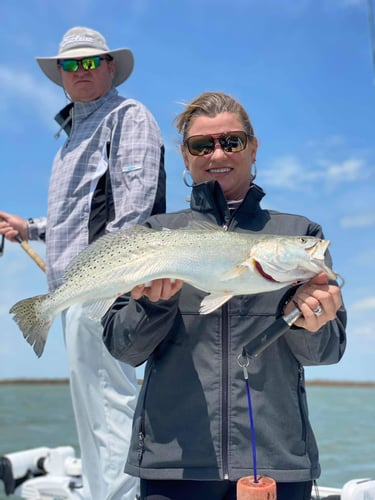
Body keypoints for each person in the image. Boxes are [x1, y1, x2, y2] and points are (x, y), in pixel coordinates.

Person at [101, 91, 347, 500]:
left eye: (232, 141)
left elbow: (327, 350)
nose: (218, 153)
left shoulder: (301, 235)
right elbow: (124, 348)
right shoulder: (154, 236)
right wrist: (152, 304)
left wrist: (309, 323)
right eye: (203, 145)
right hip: (171, 463)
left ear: (253, 147)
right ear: (185, 155)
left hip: (276, 463)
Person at [0, 26, 166, 500]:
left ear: (111, 67)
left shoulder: (127, 117)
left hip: (108, 288)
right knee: (91, 414)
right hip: (77, 292)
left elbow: (134, 211)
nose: (82, 71)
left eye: (92, 61)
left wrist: (105, 283)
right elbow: (77, 217)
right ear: (60, 77)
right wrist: (28, 228)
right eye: (71, 64)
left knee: (112, 406)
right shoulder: (72, 134)